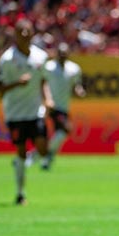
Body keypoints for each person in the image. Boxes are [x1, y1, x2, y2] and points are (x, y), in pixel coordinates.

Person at [0, 19, 50, 205]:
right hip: (15, 113)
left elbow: (43, 80)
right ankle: (20, 193)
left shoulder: (41, 56)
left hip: (35, 110)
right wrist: (17, 83)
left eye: (28, 31)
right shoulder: (7, 59)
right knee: (20, 150)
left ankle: (25, 161)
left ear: (33, 33)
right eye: (21, 32)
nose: (25, 35)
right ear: (15, 35)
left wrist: (47, 98)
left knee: (43, 149)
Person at [38, 42, 86, 170]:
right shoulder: (49, 67)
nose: (62, 56)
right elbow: (42, 82)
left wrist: (79, 90)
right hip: (50, 105)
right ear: (56, 54)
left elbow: (76, 84)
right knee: (63, 129)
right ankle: (43, 156)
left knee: (62, 132)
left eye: (65, 54)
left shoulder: (74, 69)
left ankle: (41, 156)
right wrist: (47, 99)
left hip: (63, 105)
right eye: (60, 54)